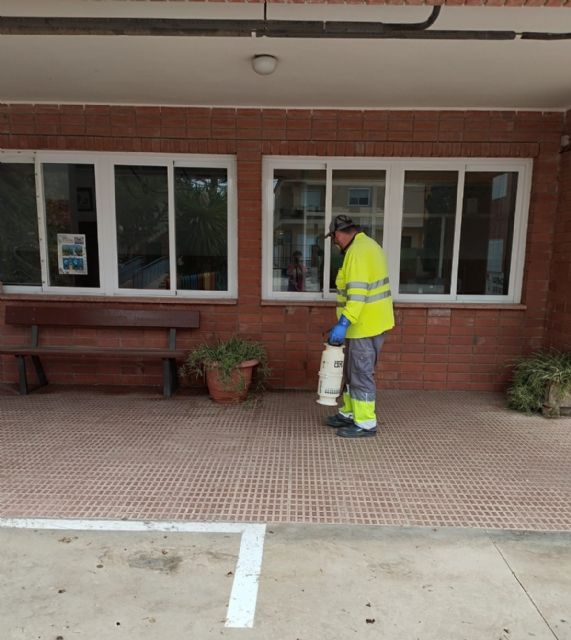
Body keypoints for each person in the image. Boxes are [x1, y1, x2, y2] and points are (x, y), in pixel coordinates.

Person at [324, 214, 394, 438]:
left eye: (333, 237)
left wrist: (343, 323)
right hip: (364, 324)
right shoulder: (366, 246)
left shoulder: (358, 252)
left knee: (361, 373)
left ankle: (365, 423)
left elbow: (357, 295)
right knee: (352, 371)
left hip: (364, 325)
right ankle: (350, 413)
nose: (334, 242)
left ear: (339, 233)